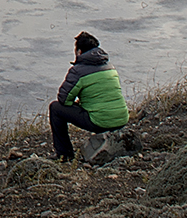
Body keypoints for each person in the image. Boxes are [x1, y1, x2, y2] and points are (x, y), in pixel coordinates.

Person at [49, 31, 130, 162]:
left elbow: (63, 99)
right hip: (121, 119)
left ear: (79, 52)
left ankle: (64, 154)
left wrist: (77, 104)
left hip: (100, 122)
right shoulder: (110, 67)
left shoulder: (78, 70)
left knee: (55, 108)